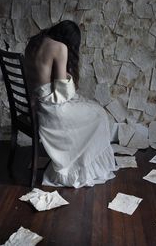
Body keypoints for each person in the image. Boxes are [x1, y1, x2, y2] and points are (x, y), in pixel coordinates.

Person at [24, 20, 117, 188]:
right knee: (100, 114)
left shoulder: (34, 42)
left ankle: (79, 158)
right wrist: (68, 77)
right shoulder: (60, 47)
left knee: (91, 108)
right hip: (52, 112)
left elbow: (40, 79)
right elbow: (61, 95)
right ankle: (81, 166)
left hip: (37, 106)